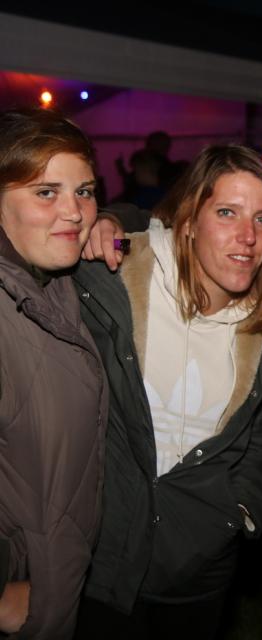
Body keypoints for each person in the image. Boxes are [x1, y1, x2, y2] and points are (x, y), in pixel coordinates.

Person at [72, 144, 262, 639]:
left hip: (198, 572)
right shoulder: (114, 276)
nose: (248, 237)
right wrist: (108, 217)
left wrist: (240, 511)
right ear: (188, 221)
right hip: (96, 559)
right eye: (227, 212)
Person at [0, 108, 108, 639]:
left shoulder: (54, 282)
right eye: (46, 192)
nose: (74, 212)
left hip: (56, 586)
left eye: (84, 192)